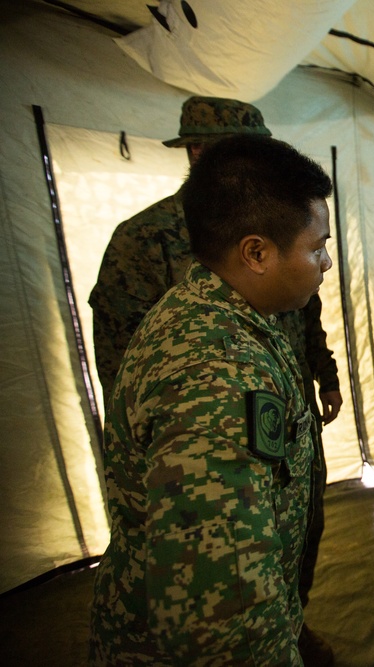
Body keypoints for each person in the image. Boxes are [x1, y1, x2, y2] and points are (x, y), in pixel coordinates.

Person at [88, 96, 340, 663]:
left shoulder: (236, 298)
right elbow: (226, 624)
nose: (326, 263)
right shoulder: (214, 383)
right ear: (255, 253)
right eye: (318, 248)